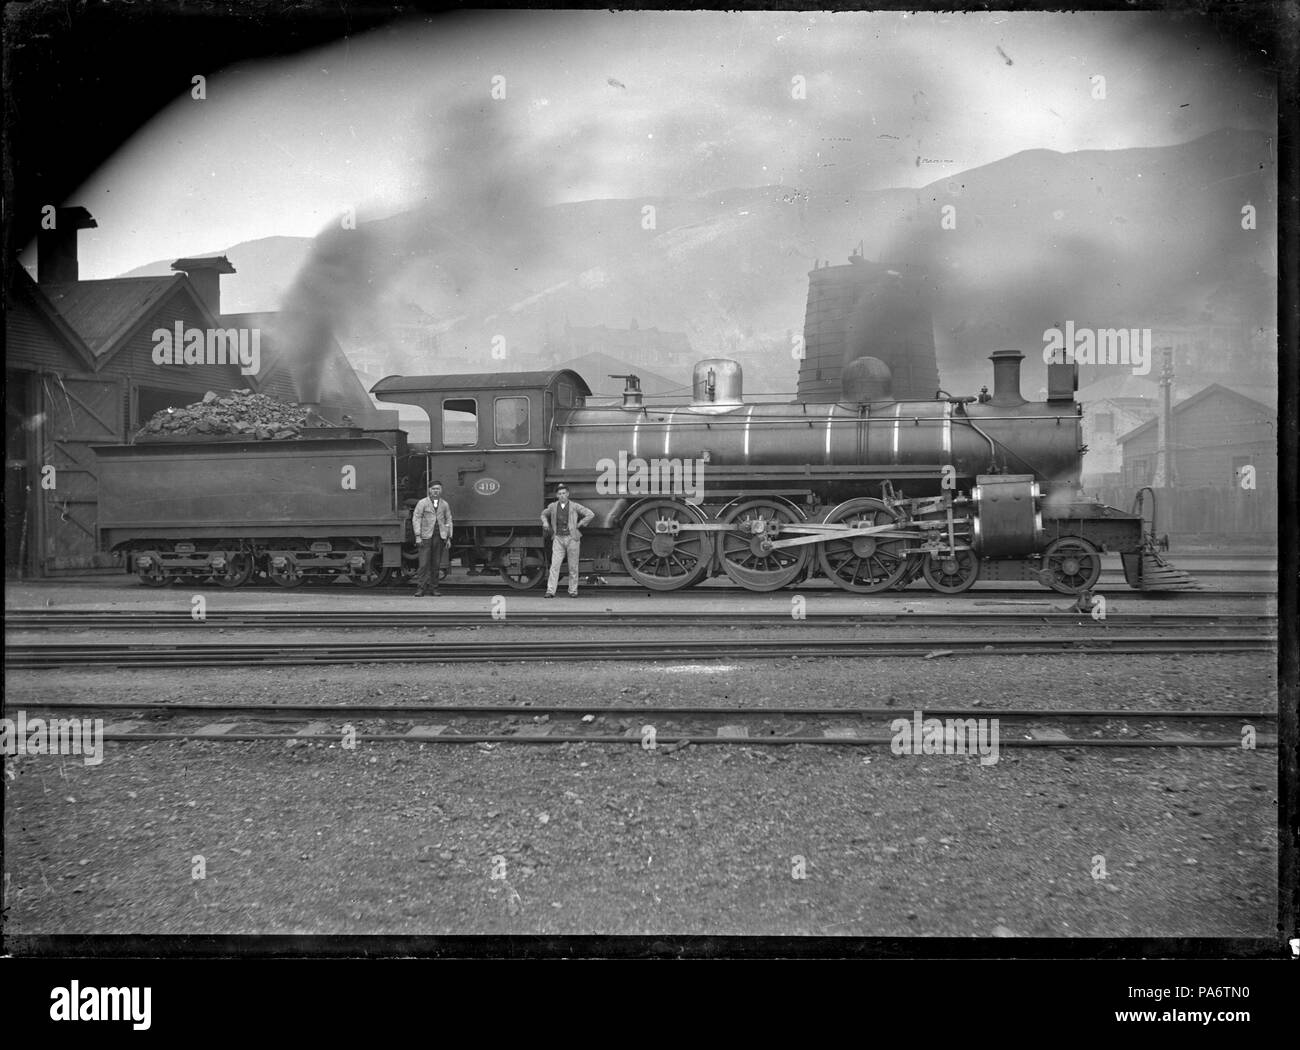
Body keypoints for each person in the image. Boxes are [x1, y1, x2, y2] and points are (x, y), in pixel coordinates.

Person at [540, 485, 594, 598]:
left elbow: (590, 514)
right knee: (554, 566)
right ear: (557, 496)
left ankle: (573, 591)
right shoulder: (553, 506)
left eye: (564, 493)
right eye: (559, 494)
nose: (562, 496)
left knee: (573, 567)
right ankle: (550, 591)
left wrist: (580, 524)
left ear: (568, 494)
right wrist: (545, 522)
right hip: (558, 538)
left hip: (572, 538)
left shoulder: (574, 506)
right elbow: (543, 514)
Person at [412, 481, 453, 597]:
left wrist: (448, 537)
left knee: (436, 564)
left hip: (439, 537)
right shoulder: (422, 503)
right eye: (434, 489)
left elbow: (448, 521)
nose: (436, 491)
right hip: (425, 537)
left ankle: (434, 589)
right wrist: (418, 536)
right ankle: (421, 589)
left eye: (438, 489)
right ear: (429, 490)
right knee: (424, 564)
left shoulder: (444, 504)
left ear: (441, 490)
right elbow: (416, 519)